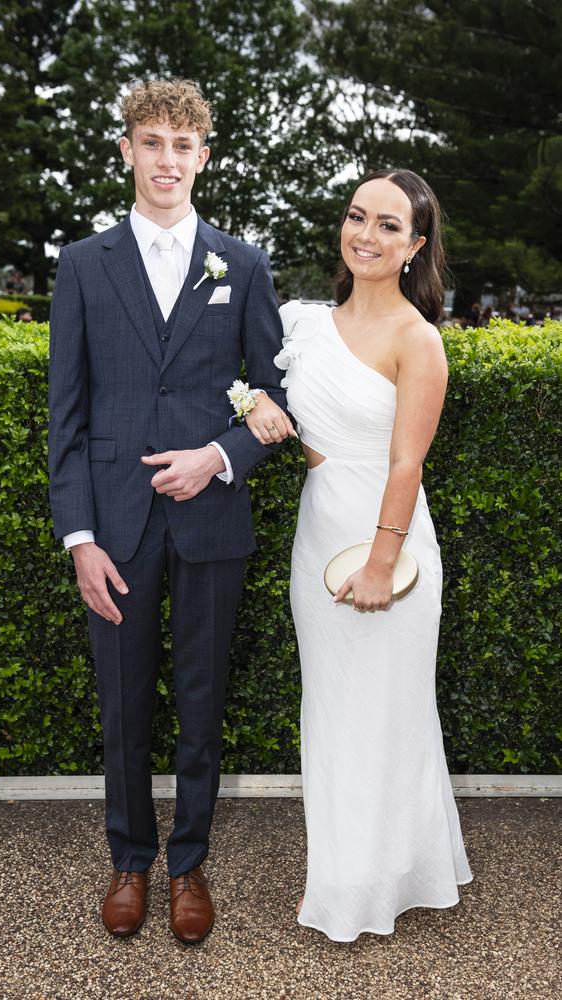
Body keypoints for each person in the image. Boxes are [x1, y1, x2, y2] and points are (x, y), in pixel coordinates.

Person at [47, 78, 288, 944]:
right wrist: (79, 536)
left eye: (183, 146)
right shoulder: (81, 264)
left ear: (204, 158)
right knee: (121, 704)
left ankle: (189, 863)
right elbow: (66, 415)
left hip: (211, 522)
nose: (167, 160)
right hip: (112, 525)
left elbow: (272, 397)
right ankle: (130, 860)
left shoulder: (244, 263)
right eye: (152, 142)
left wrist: (219, 456)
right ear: (127, 152)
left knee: (201, 696)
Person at [244, 168, 472, 942]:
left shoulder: (419, 339)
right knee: (335, 708)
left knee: (388, 712)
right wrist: (260, 403)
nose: (365, 236)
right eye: (356, 217)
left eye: (386, 225)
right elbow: (250, 387)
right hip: (319, 535)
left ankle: (379, 881)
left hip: (390, 547)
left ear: (414, 246)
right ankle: (349, 872)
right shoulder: (302, 323)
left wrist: (381, 564)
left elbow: (407, 464)